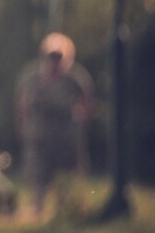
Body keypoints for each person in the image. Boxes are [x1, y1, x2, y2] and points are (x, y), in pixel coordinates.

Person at [15, 32, 95, 218]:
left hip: (65, 137)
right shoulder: (32, 77)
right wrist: (23, 129)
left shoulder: (75, 77)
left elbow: (87, 102)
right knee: (38, 176)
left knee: (68, 175)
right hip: (39, 137)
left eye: (58, 57)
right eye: (50, 56)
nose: (54, 61)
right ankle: (38, 212)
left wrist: (81, 127)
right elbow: (21, 105)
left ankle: (66, 212)